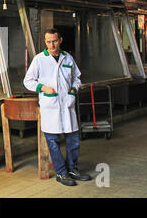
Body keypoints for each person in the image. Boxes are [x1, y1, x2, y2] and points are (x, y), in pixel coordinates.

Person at [23, 28, 91, 186]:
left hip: (67, 104)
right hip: (50, 106)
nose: (51, 44)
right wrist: (43, 88)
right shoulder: (40, 59)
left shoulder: (68, 58)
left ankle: (73, 169)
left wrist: (73, 91)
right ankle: (61, 173)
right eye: (48, 42)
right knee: (53, 141)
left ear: (60, 40)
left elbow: (77, 78)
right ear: (45, 42)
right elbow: (28, 81)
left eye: (54, 41)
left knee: (73, 139)